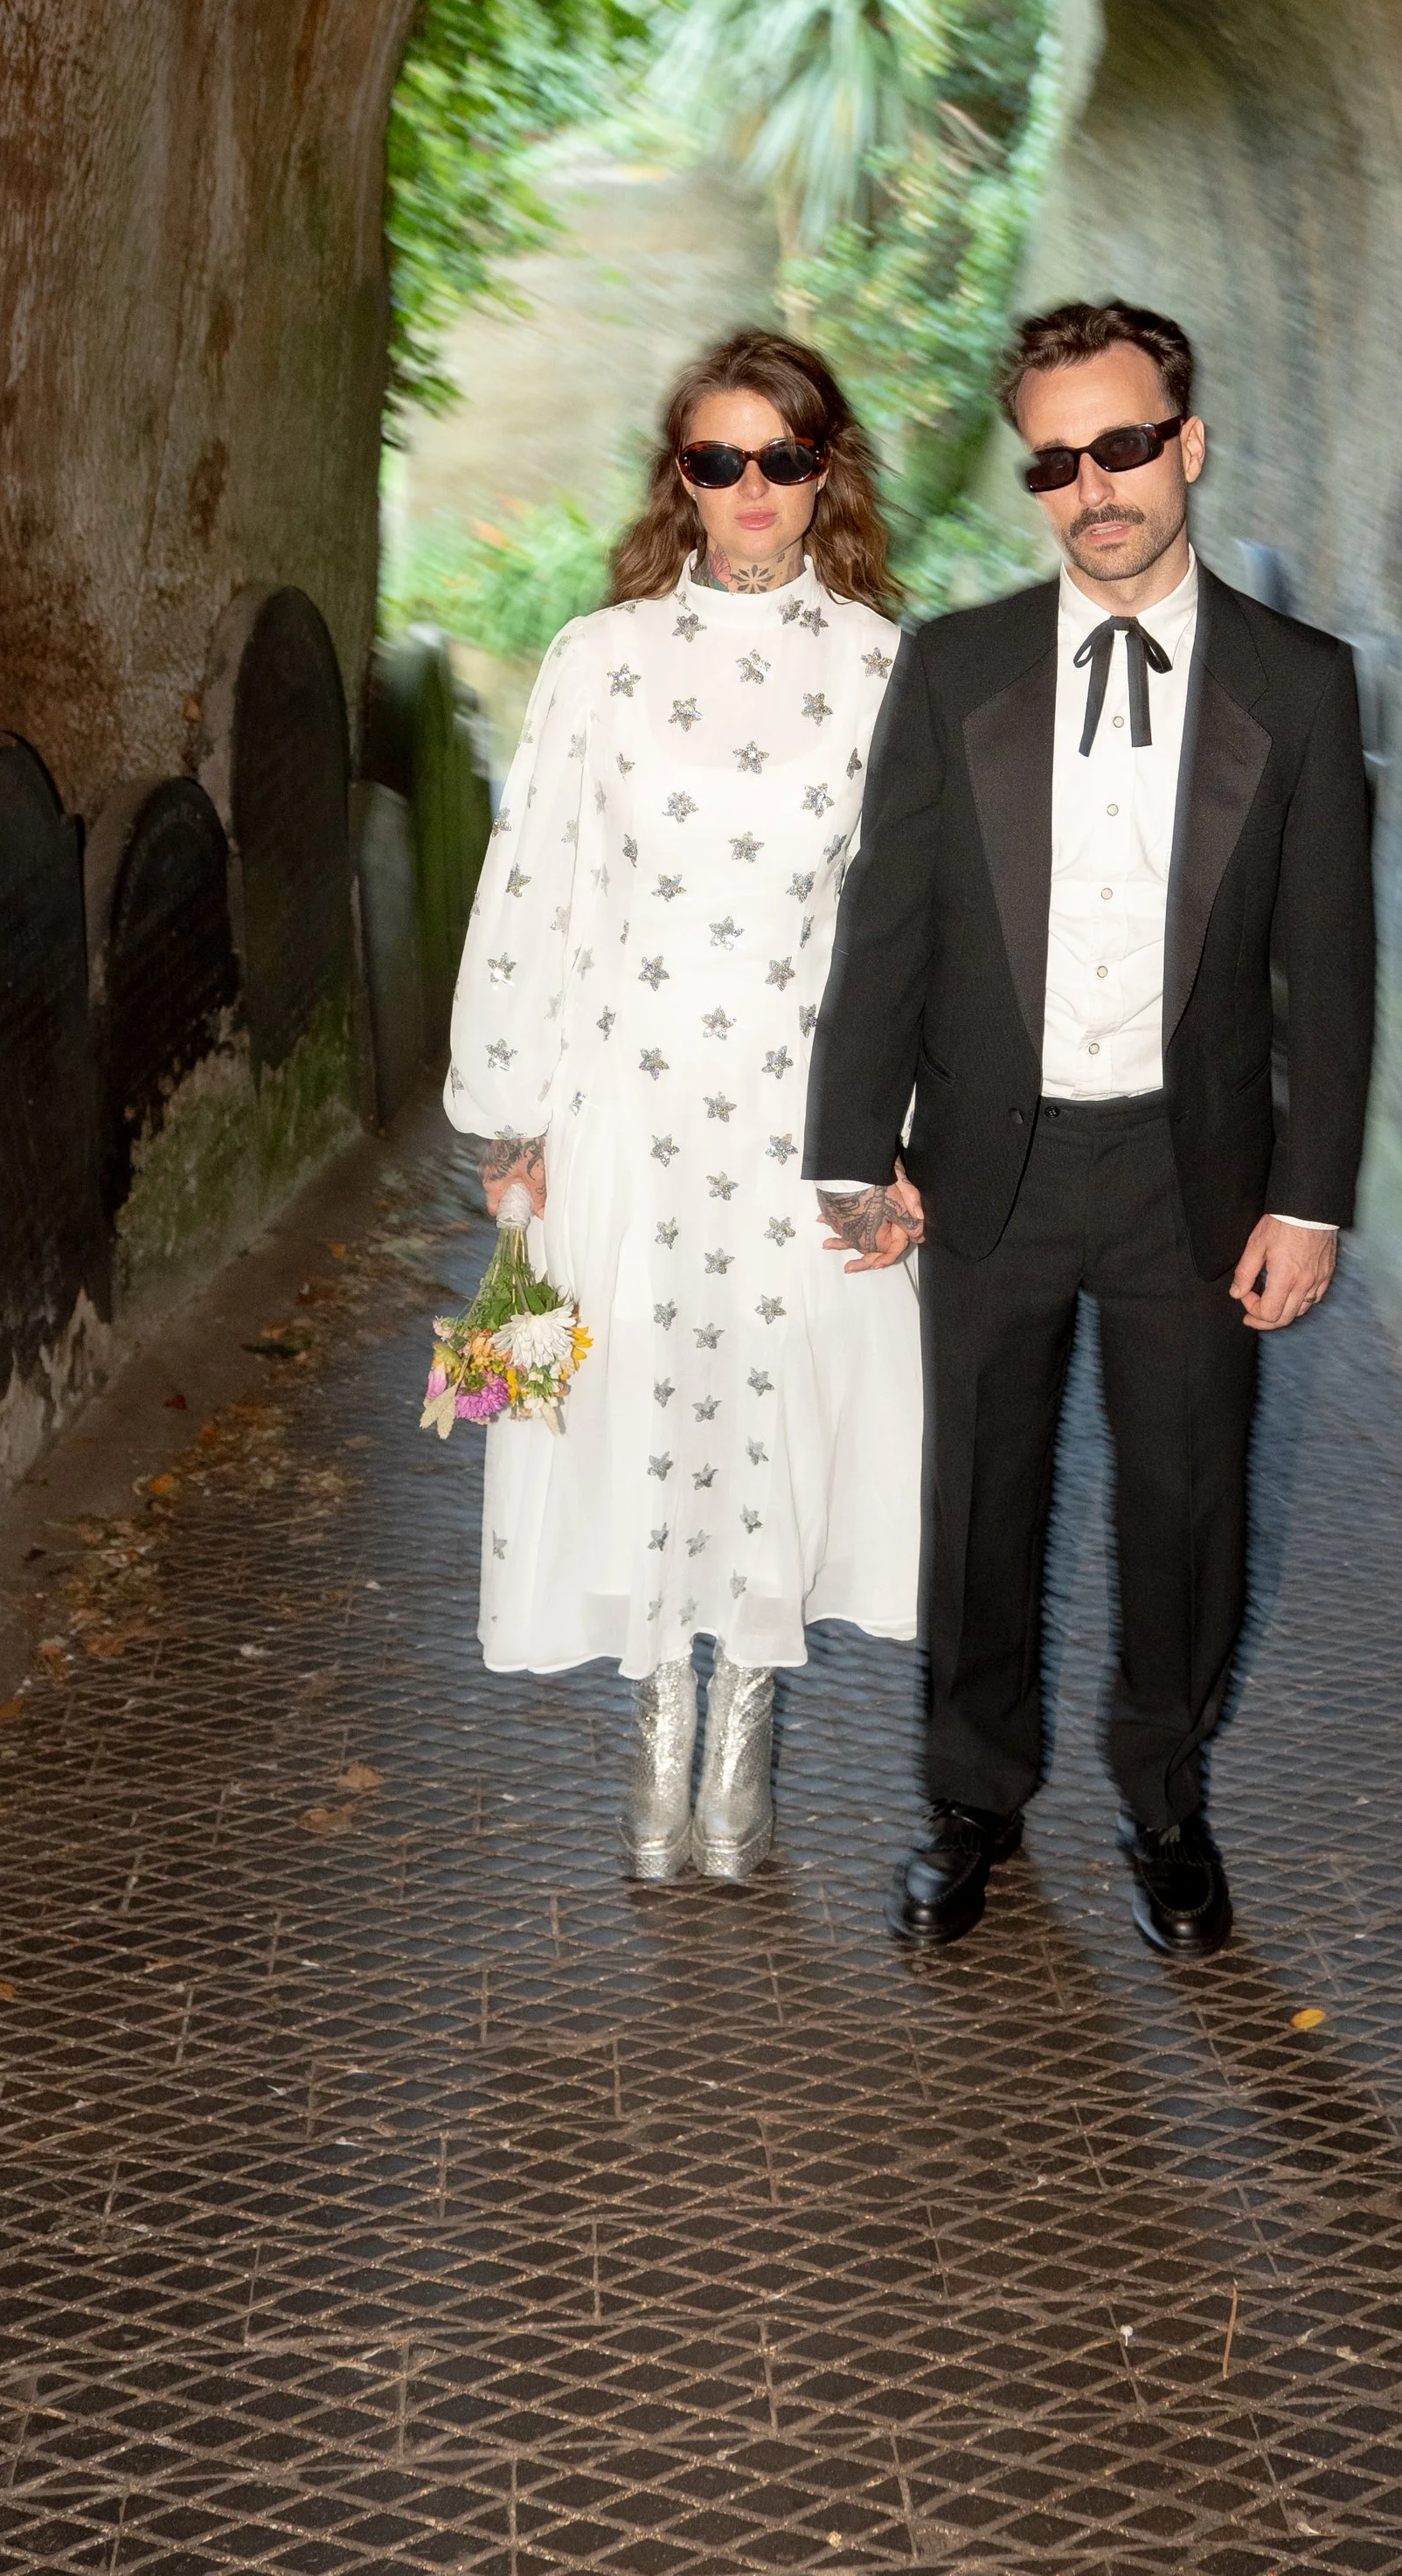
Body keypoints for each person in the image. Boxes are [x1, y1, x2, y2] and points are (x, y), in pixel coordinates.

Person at [806, 298, 1373, 1953]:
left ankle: (1165, 1798)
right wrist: (856, 1150)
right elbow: (886, 924)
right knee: (978, 1500)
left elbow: (1326, 975)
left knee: (1187, 1503)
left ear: (1186, 445)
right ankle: (969, 1798)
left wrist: (1312, 1197)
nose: (1093, 487)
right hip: (992, 1158)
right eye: (1056, 461)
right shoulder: (957, 665)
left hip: (1195, 1177)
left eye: (1124, 446)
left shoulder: (1302, 685)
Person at [445, 329, 922, 1883]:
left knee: (776, 1397)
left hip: (804, 1104)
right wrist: (511, 1112)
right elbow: (537, 885)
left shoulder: (880, 667)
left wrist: (900, 1136)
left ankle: (750, 1737)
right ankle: (660, 1741)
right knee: (645, 1395)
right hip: (625, 1101)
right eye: (720, 461)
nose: (754, 490)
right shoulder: (603, 659)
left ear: (825, 470)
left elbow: (911, 921)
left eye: (785, 459)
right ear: (682, 478)